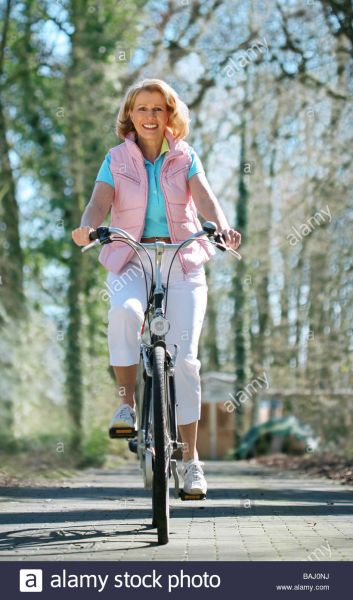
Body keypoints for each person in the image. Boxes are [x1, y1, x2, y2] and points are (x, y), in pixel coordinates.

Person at [72, 78, 241, 496]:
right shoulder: (115, 158)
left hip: (182, 258)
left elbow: (204, 198)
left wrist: (221, 228)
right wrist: (88, 226)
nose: (150, 116)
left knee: (184, 361)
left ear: (170, 115)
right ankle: (127, 406)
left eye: (158, 109)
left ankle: (191, 462)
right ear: (130, 114)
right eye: (142, 108)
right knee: (124, 314)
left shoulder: (185, 156)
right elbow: (99, 200)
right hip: (132, 256)